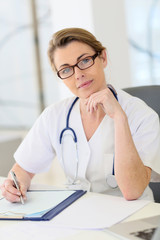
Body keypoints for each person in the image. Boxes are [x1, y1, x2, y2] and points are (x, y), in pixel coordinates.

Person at [1, 27, 160, 203]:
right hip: (78, 213)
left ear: (103, 58)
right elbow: (22, 169)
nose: (78, 75)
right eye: (66, 70)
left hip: (134, 219)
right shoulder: (55, 116)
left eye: (84, 61)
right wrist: (15, 185)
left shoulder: (141, 115)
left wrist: (119, 119)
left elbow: (133, 191)